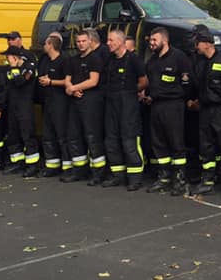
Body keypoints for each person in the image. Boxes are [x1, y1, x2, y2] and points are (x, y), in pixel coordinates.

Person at [191, 26, 221, 200]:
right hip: (205, 109)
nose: (196, 47)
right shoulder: (199, 63)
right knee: (206, 146)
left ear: (206, 44)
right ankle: (208, 180)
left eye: (197, 44)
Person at [142, 27, 193, 195]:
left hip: (174, 105)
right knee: (159, 142)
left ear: (164, 40)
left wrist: (181, 99)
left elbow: (187, 83)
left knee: (176, 142)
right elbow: (150, 84)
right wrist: (149, 96)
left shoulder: (179, 57)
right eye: (150, 40)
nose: (151, 43)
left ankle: (180, 179)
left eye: (154, 40)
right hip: (156, 106)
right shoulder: (152, 62)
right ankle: (164, 177)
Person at [103, 29, 148, 189]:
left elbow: (143, 81)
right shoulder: (109, 60)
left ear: (121, 42)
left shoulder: (134, 60)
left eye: (111, 40)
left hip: (128, 104)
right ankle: (117, 175)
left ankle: (135, 177)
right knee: (111, 141)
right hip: (111, 104)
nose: (108, 43)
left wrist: (130, 92)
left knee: (129, 141)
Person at [64, 29, 107, 184]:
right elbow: (67, 79)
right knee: (74, 136)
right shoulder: (72, 60)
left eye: (83, 41)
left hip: (91, 102)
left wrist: (73, 88)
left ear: (90, 41)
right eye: (78, 41)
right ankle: (79, 171)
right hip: (75, 102)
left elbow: (93, 81)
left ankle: (98, 173)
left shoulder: (95, 59)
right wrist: (71, 89)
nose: (81, 44)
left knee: (92, 136)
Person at [2, 47, 41, 177]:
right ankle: (17, 163)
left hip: (25, 105)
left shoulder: (28, 67)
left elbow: (19, 82)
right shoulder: (9, 69)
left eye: (8, 57)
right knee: (13, 134)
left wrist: (14, 68)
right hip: (13, 105)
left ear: (15, 57)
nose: (7, 60)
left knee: (27, 134)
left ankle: (32, 165)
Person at [37, 33, 71, 177]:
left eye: (45, 44)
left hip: (60, 102)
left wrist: (51, 82)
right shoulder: (46, 61)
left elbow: (68, 81)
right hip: (48, 101)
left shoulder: (64, 60)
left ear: (51, 45)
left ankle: (67, 167)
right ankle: (52, 165)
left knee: (62, 135)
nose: (44, 46)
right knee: (48, 134)